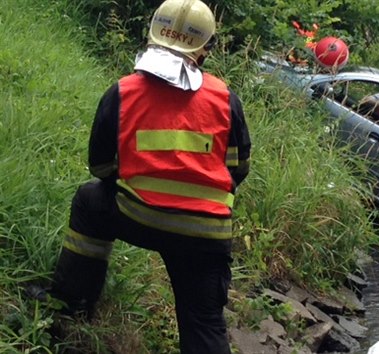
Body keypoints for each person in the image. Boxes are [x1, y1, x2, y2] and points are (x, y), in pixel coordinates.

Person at [35, 0, 250, 353]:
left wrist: (140, 180)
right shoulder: (227, 99)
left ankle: (70, 307)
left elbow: (101, 169)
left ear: (151, 35)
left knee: (89, 200)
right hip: (206, 234)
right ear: (206, 48)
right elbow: (238, 169)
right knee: (204, 323)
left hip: (136, 215)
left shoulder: (122, 92)